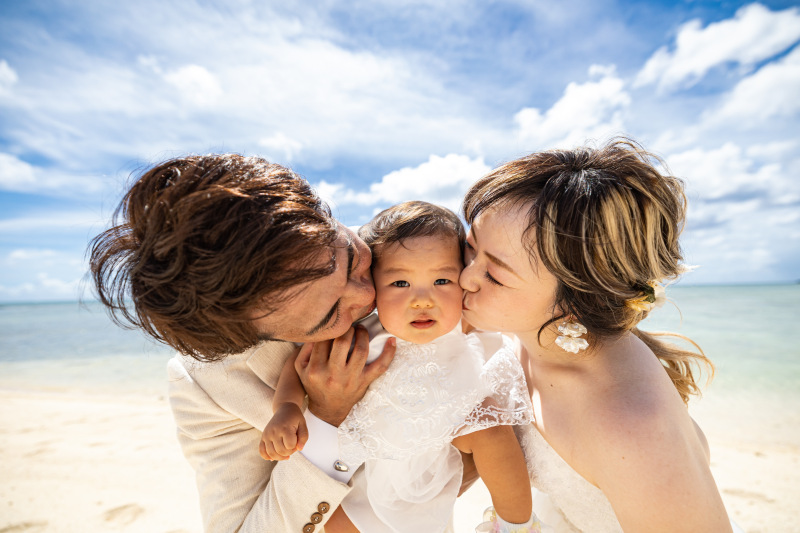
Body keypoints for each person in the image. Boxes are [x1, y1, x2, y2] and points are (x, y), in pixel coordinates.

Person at [87, 154, 406, 533]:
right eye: (329, 315)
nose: (367, 295)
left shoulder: (411, 247)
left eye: (352, 260)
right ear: (251, 340)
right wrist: (325, 418)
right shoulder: (206, 386)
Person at [458, 139, 735, 532]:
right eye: (471, 250)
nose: (465, 277)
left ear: (573, 303)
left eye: (495, 275)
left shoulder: (632, 431)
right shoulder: (527, 335)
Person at [261, 201, 541, 533]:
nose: (423, 300)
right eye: (400, 284)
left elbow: (522, 315)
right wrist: (287, 408)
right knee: (336, 520)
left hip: (445, 435)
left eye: (441, 281)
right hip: (374, 457)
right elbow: (299, 366)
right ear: (373, 286)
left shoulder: (467, 319)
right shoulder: (359, 330)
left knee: (490, 425)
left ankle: (516, 524)